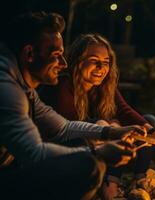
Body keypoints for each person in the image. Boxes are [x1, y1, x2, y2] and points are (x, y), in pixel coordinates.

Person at [0, 11, 145, 199]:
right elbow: (35, 154)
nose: (64, 63)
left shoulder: (23, 87)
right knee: (87, 166)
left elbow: (64, 127)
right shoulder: (6, 89)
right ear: (29, 54)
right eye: (57, 55)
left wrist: (112, 132)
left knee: (88, 158)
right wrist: (98, 152)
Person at [38, 33, 155, 198]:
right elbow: (70, 127)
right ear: (78, 61)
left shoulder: (104, 85)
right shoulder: (63, 85)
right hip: (66, 151)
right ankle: (110, 184)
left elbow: (124, 110)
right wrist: (109, 126)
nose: (101, 68)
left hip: (99, 138)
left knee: (149, 121)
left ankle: (139, 180)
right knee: (111, 127)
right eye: (93, 60)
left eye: (106, 62)